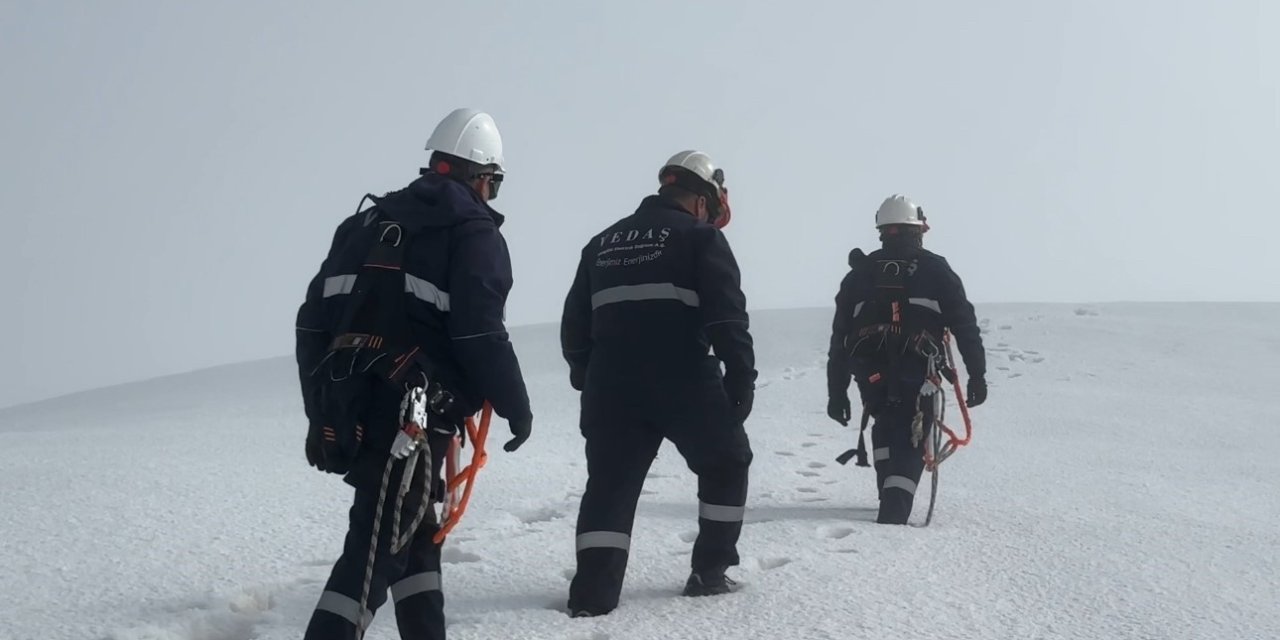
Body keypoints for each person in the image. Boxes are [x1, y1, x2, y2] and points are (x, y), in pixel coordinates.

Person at [294, 107, 533, 639]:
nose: (490, 196)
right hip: (410, 420)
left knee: (417, 539)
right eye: (492, 184)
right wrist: (516, 404)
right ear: (482, 176)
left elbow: (312, 326)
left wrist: (321, 409)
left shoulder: (360, 227)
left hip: (355, 406)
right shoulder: (471, 232)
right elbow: (479, 333)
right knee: (370, 558)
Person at [558, 150, 757, 617]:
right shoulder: (700, 237)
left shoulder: (602, 242)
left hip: (611, 383)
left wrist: (587, 373)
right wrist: (741, 377)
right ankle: (710, 573)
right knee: (727, 462)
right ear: (704, 200)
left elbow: (573, 326)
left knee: (609, 485)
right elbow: (727, 314)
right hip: (682, 374)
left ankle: (592, 597)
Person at [825, 194, 987, 525]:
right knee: (913, 430)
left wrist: (837, 392)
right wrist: (977, 374)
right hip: (917, 364)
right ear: (919, 229)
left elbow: (839, 339)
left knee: (885, 423)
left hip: (868, 367)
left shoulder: (858, 274)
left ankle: (890, 499)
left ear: (882, 230)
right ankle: (894, 513)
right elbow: (964, 325)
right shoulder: (935, 269)